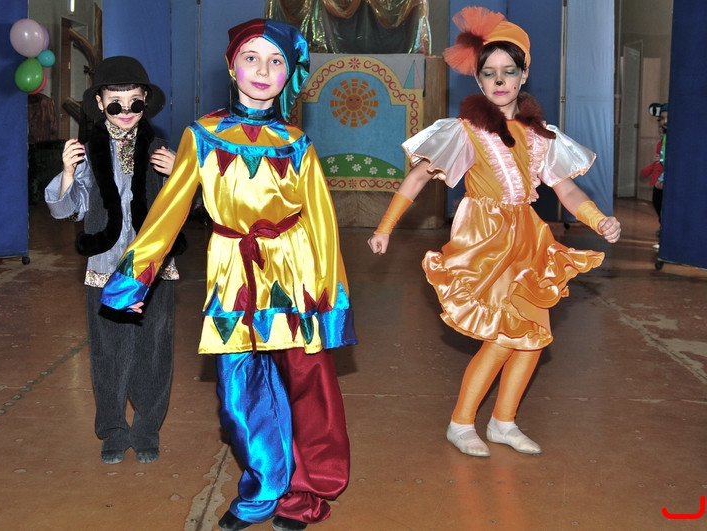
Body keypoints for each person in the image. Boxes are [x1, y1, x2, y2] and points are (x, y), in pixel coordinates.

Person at [99, 19, 356, 531]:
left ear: (289, 74)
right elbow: (168, 211)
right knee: (239, 394)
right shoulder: (202, 135)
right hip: (232, 272)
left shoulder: (297, 143)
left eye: (276, 60)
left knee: (308, 388)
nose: (263, 69)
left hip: (295, 272)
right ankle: (263, 489)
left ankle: (307, 492)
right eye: (252, 58)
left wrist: (330, 300)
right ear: (232, 66)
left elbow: (322, 223)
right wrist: (133, 281)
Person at [368, 6, 621, 458]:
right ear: (479, 80)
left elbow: (565, 188)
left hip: (528, 240)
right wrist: (385, 227)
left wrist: (597, 218)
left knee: (534, 335)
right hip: (486, 242)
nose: (500, 80)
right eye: (489, 73)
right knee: (503, 338)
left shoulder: (540, 136)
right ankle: (461, 422)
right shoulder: (465, 131)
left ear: (524, 76)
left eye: (509, 71)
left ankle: (504, 421)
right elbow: (418, 177)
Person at [45, 56, 185, 465]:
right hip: (106, 267)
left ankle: (146, 428)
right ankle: (112, 428)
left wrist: (181, 175)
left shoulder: (160, 151)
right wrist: (67, 174)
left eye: (135, 103)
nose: (126, 112)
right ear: (100, 103)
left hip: (153, 269)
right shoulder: (88, 154)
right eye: (115, 104)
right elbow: (66, 209)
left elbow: (191, 208)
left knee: (154, 348)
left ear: (146, 101)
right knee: (108, 351)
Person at [641, 102, 668, 226]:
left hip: (665, 176)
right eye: (662, 118)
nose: (664, 121)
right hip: (661, 175)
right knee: (657, 201)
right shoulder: (664, 139)